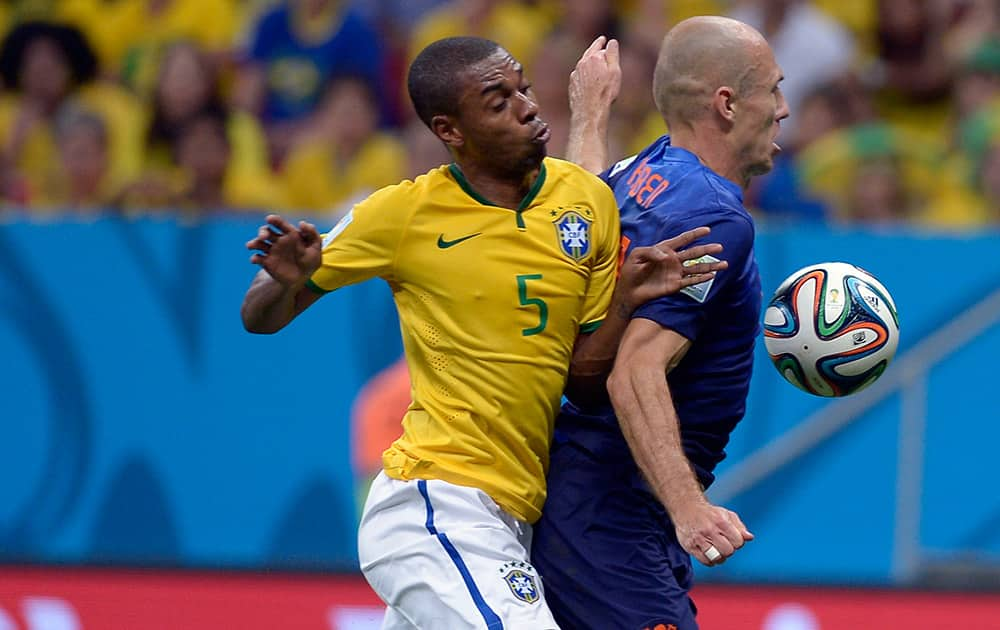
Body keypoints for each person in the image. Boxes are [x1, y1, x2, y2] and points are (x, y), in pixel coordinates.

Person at [241, 35, 727, 629]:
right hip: (436, 502)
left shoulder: (586, 202)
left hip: (513, 515)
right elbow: (259, 318)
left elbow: (586, 380)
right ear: (451, 131)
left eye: (522, 87)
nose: (527, 106)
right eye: (498, 102)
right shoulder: (403, 213)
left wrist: (624, 300)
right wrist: (286, 282)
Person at [530, 17, 789, 630]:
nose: (782, 110)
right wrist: (688, 507)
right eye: (773, 90)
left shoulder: (641, 170)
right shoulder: (718, 219)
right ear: (726, 104)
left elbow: (578, 219)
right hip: (612, 510)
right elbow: (634, 369)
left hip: (585, 496)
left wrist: (590, 117)